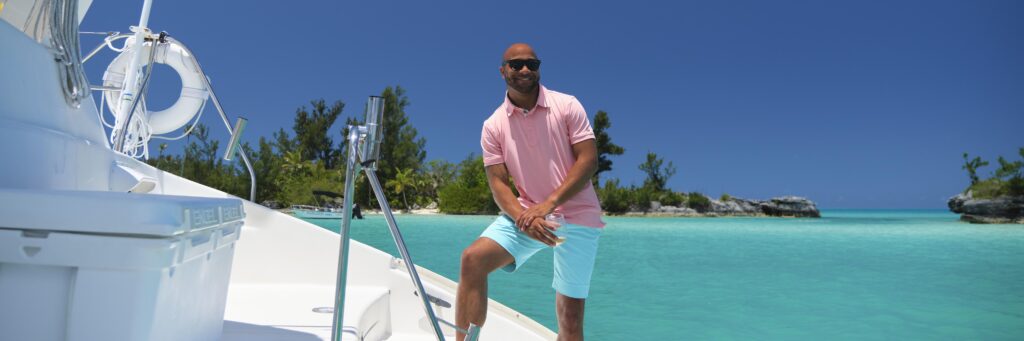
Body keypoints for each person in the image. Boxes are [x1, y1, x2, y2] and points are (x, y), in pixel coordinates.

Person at [455, 43, 605, 341]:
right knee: (473, 260)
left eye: (532, 64)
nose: (525, 69)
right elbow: (498, 184)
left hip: (578, 216)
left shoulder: (567, 105)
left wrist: (547, 206)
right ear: (503, 71)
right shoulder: (493, 125)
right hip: (525, 214)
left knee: (570, 320)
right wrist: (525, 216)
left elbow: (588, 160)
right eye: (516, 64)